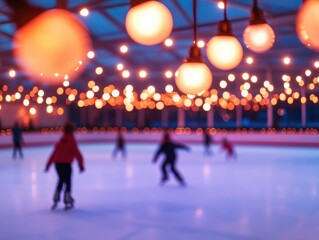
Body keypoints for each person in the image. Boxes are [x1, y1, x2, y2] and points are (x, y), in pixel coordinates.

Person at [45, 122, 85, 210]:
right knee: (68, 180)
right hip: (66, 164)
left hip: (57, 164)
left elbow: (54, 153)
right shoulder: (71, 139)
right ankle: (67, 197)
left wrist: (48, 165)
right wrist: (81, 165)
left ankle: (56, 197)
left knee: (61, 179)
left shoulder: (61, 139)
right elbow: (77, 153)